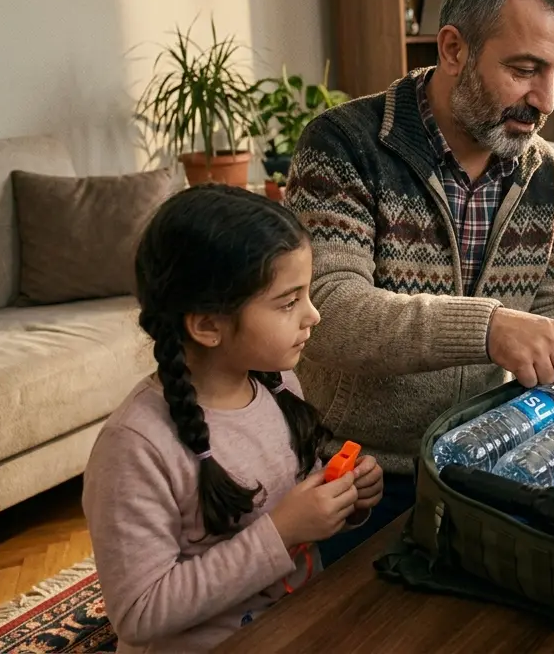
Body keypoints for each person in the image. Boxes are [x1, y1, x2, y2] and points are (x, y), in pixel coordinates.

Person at [284, 0, 554, 563]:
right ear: (453, 49)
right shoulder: (343, 146)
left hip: (495, 465)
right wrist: (489, 328)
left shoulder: (545, 172)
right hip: (363, 477)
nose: (546, 100)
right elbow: (328, 313)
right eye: (524, 69)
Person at [82, 185, 385, 653]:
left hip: (300, 626)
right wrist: (282, 532)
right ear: (206, 325)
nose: (314, 315)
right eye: (288, 303)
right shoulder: (134, 447)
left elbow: (289, 505)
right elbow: (138, 612)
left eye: (307, 294)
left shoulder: (279, 384)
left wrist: (343, 499)